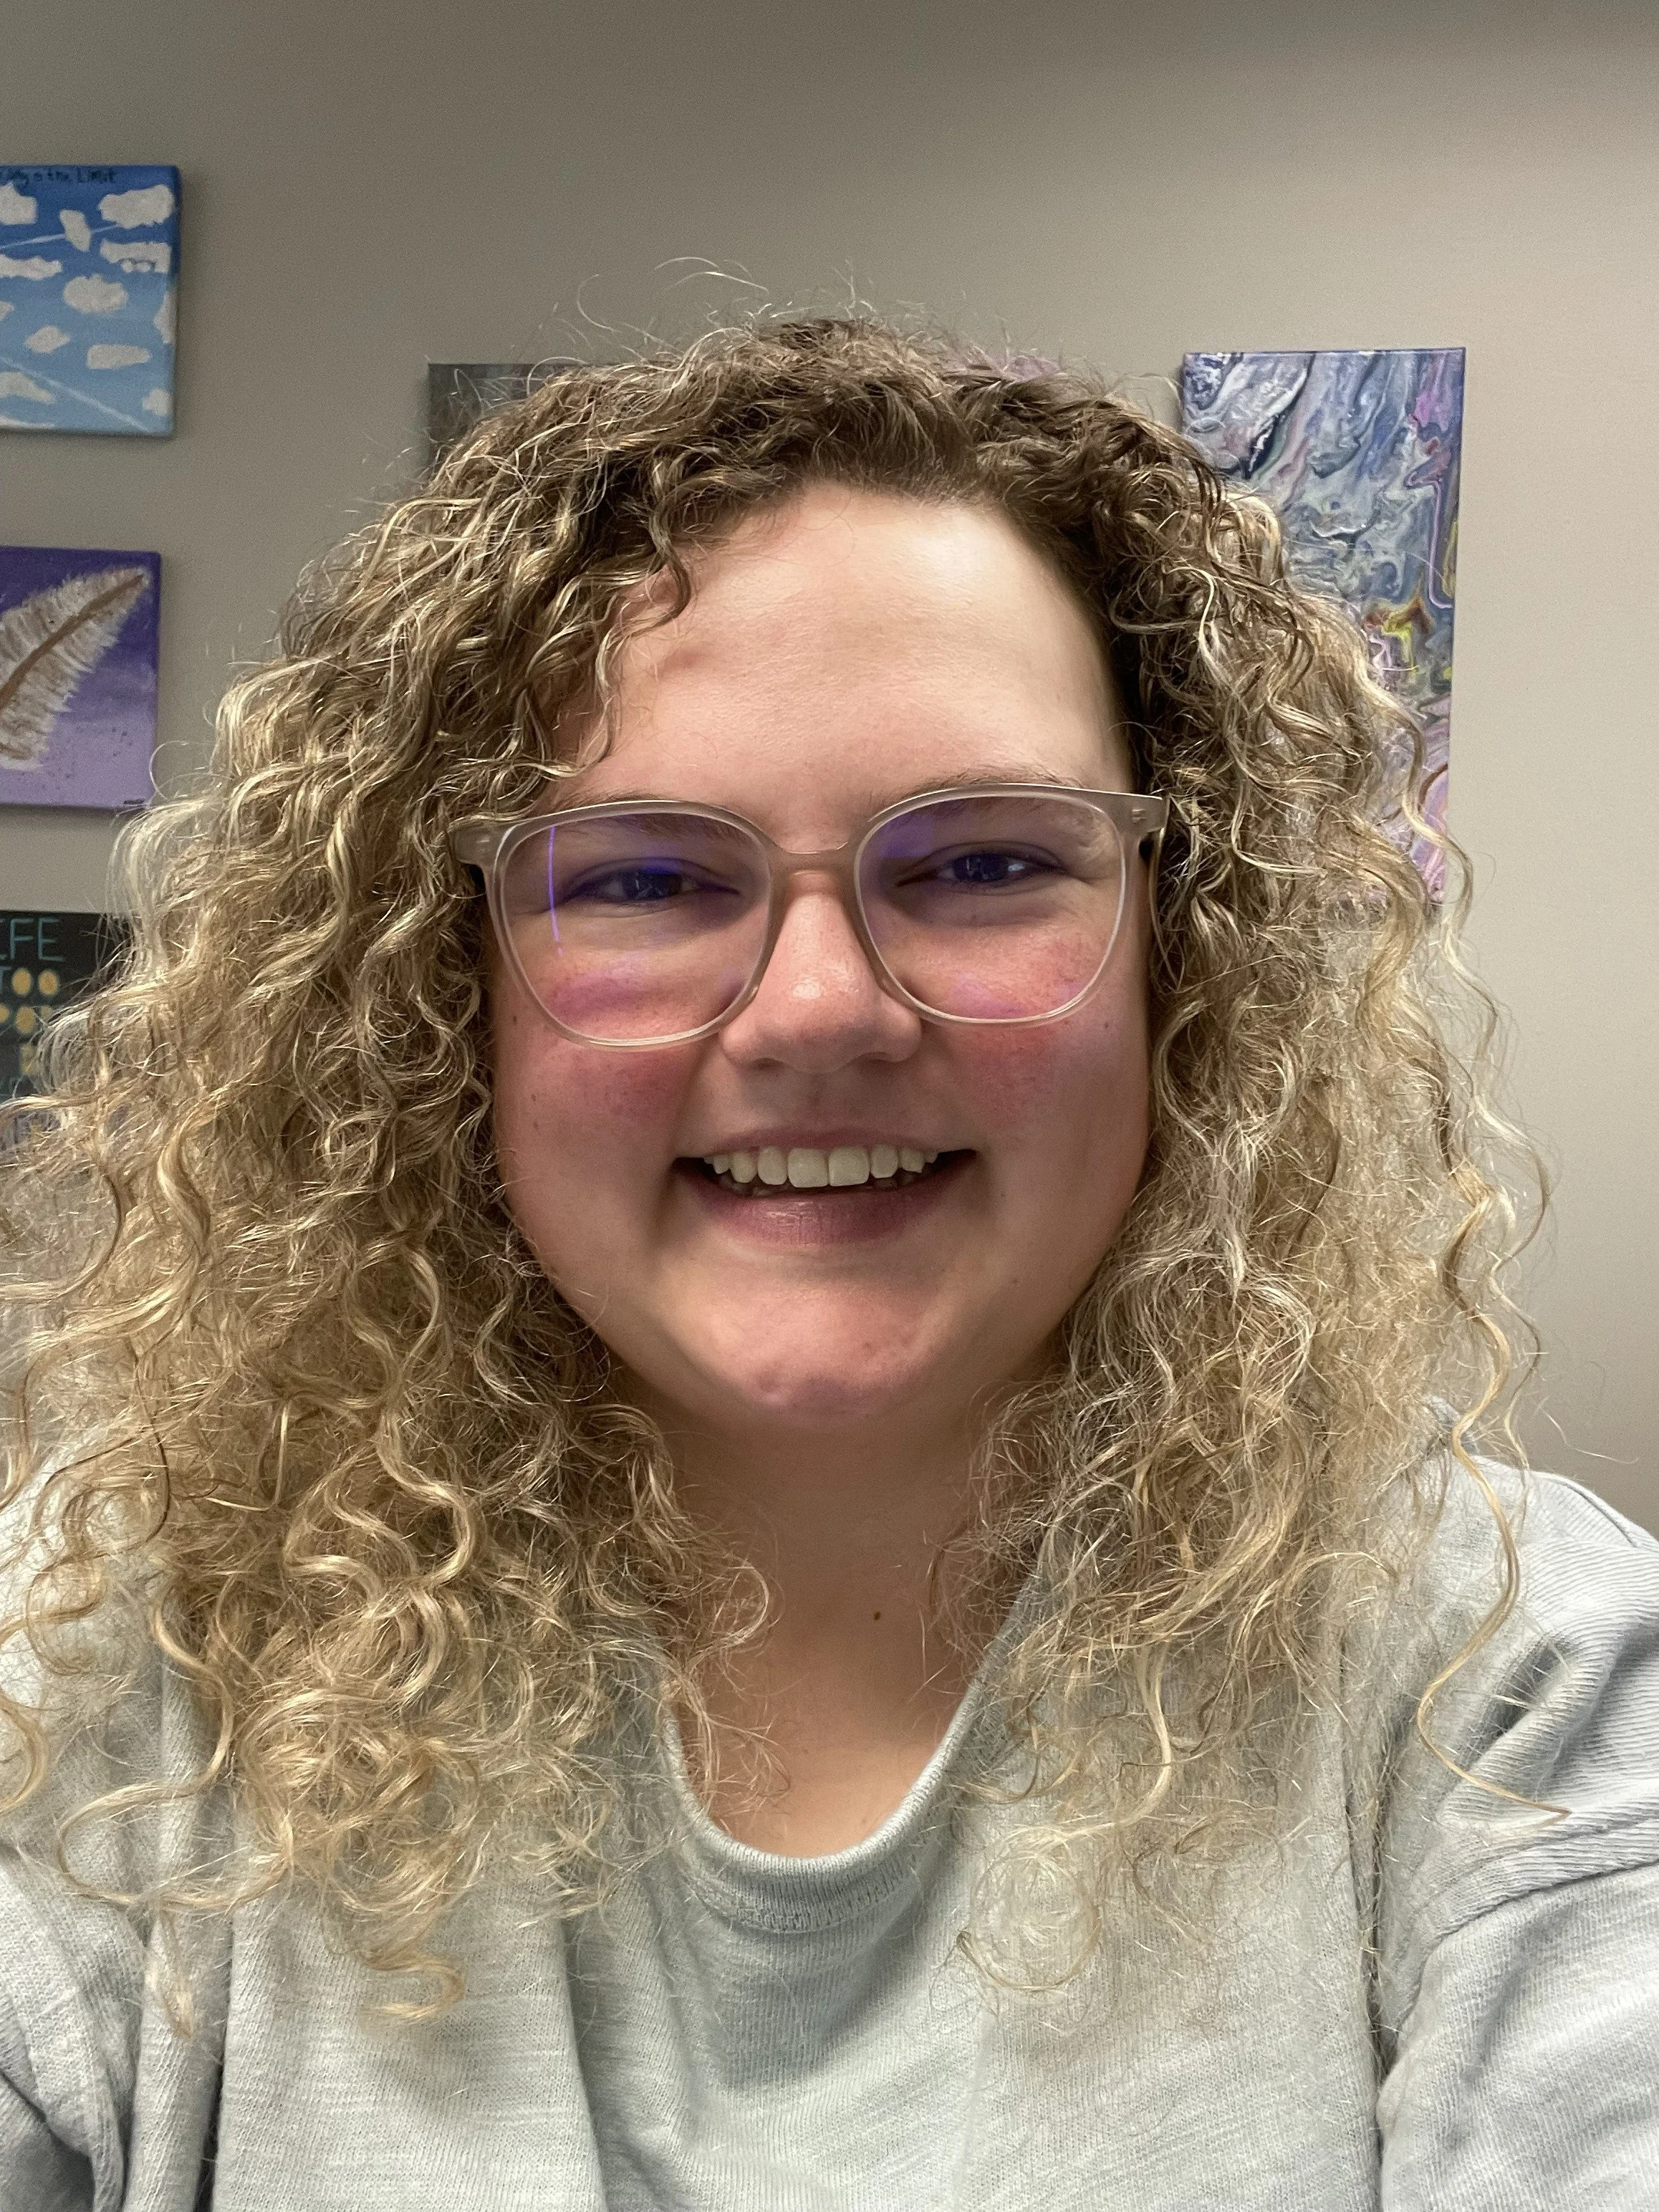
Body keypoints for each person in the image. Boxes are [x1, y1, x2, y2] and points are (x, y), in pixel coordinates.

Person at [0, 319, 1654, 2212]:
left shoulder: (1520, 1699)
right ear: (439, 1001)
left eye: (978, 866)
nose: (813, 1010)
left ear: (1178, 965)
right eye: (635, 878)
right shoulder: (112, 1673)